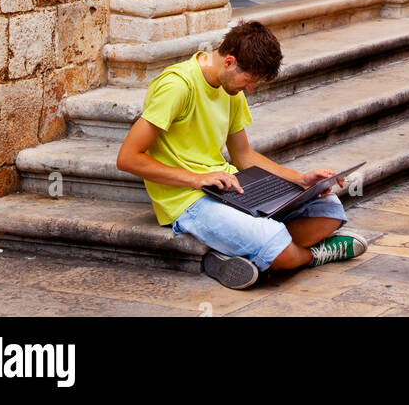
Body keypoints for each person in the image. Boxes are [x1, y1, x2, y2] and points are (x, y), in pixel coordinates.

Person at [116, 20, 367, 289]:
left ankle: (238, 251)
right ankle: (311, 256)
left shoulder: (230, 89)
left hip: (230, 187)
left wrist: (300, 179)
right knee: (276, 244)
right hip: (188, 200)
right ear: (229, 62)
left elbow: (244, 155)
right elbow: (127, 158)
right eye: (249, 80)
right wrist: (196, 179)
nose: (250, 89)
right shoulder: (177, 86)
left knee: (329, 210)